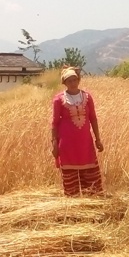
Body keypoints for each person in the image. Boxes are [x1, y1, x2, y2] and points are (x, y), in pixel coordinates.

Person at [51, 67, 104, 196]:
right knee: (70, 177)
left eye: (75, 80)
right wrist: (54, 144)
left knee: (90, 173)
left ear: (78, 80)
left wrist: (98, 139)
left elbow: (93, 119)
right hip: (67, 143)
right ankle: (73, 202)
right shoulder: (59, 100)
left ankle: (91, 200)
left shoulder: (87, 97)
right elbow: (54, 123)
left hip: (85, 141)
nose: (73, 83)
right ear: (64, 83)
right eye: (69, 81)